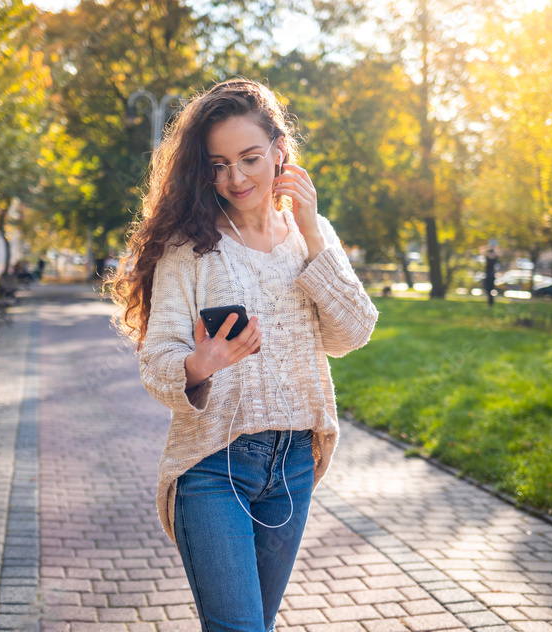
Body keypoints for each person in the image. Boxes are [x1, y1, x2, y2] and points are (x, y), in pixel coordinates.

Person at [107, 79, 379, 632]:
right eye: (218, 164)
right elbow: (156, 361)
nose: (235, 178)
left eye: (250, 158)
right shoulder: (191, 247)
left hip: (294, 462)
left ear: (280, 150)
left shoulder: (313, 233)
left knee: (260, 623)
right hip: (211, 465)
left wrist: (310, 232)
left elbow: (352, 332)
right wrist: (200, 364)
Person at [482, 242, 500, 306]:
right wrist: (490, 247)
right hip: (489, 275)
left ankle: (491, 302)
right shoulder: (490, 258)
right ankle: (490, 302)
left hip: (491, 275)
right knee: (488, 289)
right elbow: (482, 251)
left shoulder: (494, 259)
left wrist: (491, 247)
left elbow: (482, 250)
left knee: (490, 289)